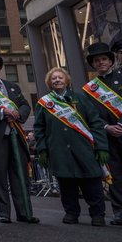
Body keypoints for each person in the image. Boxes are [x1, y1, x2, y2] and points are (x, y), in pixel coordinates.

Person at [34, 66, 109, 226]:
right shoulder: (44, 103)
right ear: (49, 83)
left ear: (67, 80)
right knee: (67, 184)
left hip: (84, 149)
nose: (57, 80)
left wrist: (101, 147)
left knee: (91, 183)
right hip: (59, 150)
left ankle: (97, 214)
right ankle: (71, 212)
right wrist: (42, 150)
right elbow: (39, 128)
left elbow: (95, 123)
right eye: (53, 78)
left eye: (60, 77)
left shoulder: (81, 99)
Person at [0, 49, 39, 224]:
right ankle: (4, 213)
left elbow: (25, 105)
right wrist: (2, 112)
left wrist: (18, 114)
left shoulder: (13, 87)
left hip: (16, 137)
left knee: (20, 176)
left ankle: (25, 212)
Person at [81, 42, 122, 225]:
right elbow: (91, 115)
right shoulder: (89, 89)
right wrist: (107, 127)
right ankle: (119, 210)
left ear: (111, 61)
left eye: (104, 59)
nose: (101, 63)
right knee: (115, 175)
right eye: (97, 61)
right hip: (108, 138)